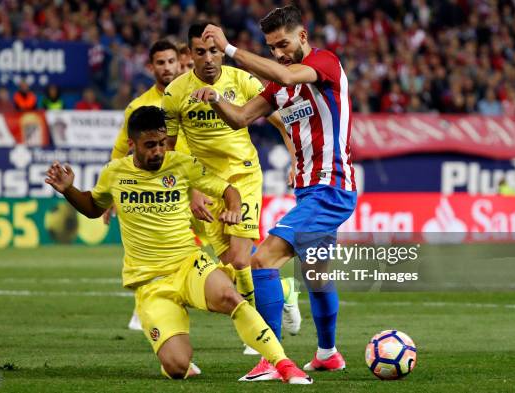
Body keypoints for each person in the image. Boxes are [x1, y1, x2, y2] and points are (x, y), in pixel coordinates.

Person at [44, 106, 311, 384]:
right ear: (132, 144)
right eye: (150, 145)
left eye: (161, 143)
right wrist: (69, 190)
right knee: (177, 368)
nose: (158, 151)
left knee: (230, 298)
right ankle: (175, 354)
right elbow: (92, 207)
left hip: (188, 264)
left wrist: (233, 208)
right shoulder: (114, 173)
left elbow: (228, 190)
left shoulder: (181, 164)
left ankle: (283, 364)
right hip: (151, 282)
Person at [193, 5, 357, 380]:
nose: (279, 53)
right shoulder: (279, 90)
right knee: (315, 273)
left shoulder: (324, 63)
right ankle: (328, 353)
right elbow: (239, 118)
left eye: (283, 43)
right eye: (272, 47)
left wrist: (230, 50)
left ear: (302, 35)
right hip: (308, 192)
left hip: (331, 188)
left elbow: (284, 72)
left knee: (262, 261)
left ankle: (272, 358)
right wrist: (216, 99)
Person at [162, 23, 302, 353]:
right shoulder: (176, 93)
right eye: (200, 52)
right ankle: (281, 289)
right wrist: (191, 189)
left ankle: (259, 330)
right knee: (230, 262)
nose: (209, 58)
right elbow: (170, 150)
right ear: (190, 54)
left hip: (243, 176)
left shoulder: (242, 80)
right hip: (205, 184)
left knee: (240, 257)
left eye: (214, 50)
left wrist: (296, 160)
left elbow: (282, 122)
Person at [107, 39, 190, 331]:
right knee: (150, 244)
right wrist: (109, 195)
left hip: (195, 183)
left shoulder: (190, 94)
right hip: (156, 190)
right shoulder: (138, 106)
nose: (167, 68)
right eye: (161, 63)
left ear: (179, 63)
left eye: (171, 62)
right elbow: (120, 152)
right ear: (150, 67)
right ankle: (145, 305)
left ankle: (274, 290)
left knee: (231, 251)